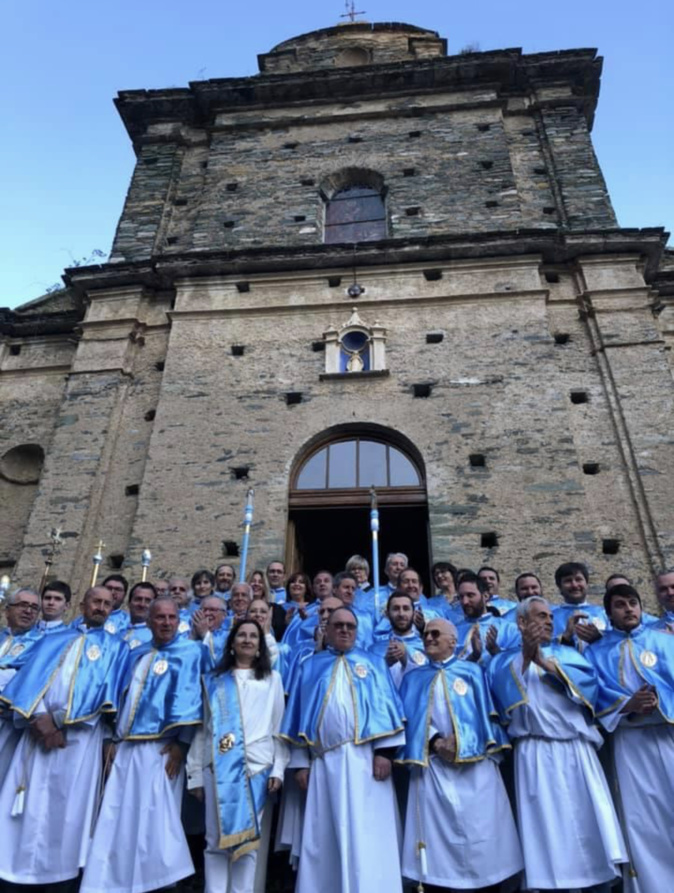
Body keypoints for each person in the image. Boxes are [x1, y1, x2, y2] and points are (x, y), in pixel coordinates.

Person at [487, 596, 627, 892]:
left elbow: (590, 694)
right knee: (547, 829)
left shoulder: (569, 655)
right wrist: (526, 657)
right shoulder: (504, 661)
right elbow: (503, 698)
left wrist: (548, 666)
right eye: (540, 616)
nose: (549, 621)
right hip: (535, 753)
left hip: (577, 750)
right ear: (522, 623)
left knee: (588, 825)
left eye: (551, 616)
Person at [0, 585, 128, 888]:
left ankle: (58, 874)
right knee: (24, 803)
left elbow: (106, 693)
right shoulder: (52, 639)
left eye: (107, 604)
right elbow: (29, 678)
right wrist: (39, 718)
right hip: (35, 733)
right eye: (95, 601)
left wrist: (58, 721)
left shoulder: (116, 646)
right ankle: (11, 867)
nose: (100, 607)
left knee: (66, 810)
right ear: (82, 605)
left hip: (78, 741)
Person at [81, 596, 203, 893]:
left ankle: (156, 883)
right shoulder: (136, 653)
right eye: (159, 617)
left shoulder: (191, 652)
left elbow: (195, 700)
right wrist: (111, 739)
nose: (166, 623)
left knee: (156, 822)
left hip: (160, 750)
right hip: (124, 748)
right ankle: (114, 880)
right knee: (117, 816)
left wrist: (182, 744)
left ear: (179, 620)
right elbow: (118, 696)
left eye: (172, 617)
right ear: (148, 622)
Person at [281, 606, 406, 893]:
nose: (345, 630)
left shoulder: (373, 663)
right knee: (325, 833)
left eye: (350, 625)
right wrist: (301, 763)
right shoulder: (310, 667)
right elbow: (299, 716)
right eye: (339, 625)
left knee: (368, 832)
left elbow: (387, 709)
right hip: (324, 765)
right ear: (327, 630)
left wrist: (384, 753)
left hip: (366, 762)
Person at [398, 618, 523, 892]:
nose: (428, 638)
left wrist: (463, 741)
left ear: (453, 641)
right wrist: (435, 740)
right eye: (426, 634)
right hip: (433, 765)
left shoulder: (472, 672)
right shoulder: (412, 678)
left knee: (482, 830)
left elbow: (487, 715)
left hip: (475, 765)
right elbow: (409, 718)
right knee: (438, 839)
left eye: (435, 634)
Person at [187, 619, 288, 893]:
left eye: (253, 636)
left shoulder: (272, 679)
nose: (246, 640)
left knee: (247, 843)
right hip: (217, 767)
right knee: (215, 839)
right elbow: (203, 729)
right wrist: (195, 773)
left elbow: (278, 727)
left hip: (256, 767)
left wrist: (278, 768)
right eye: (241, 635)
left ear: (259, 645)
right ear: (231, 643)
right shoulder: (214, 681)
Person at [585, 583, 674, 892]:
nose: (629, 609)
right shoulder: (597, 652)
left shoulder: (666, 642)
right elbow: (594, 694)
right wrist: (627, 705)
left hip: (669, 734)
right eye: (620, 605)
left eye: (633, 602)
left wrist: (661, 701)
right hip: (632, 743)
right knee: (643, 820)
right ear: (609, 614)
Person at [454, 572, 520, 663]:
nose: (465, 601)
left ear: (485, 596)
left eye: (470, 595)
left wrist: (495, 651)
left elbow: (516, 666)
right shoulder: (454, 631)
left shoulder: (509, 629)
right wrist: (473, 656)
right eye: (461, 597)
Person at [369, 591, 427, 686]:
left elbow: (428, 683)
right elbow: (369, 685)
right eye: (396, 609)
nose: (401, 614)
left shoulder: (425, 647)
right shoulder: (375, 649)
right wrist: (385, 664)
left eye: (406, 609)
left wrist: (406, 660)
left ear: (414, 613)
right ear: (387, 614)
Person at [552, 561, 608, 646]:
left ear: (586, 583)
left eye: (578, 579)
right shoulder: (552, 617)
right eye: (568, 581)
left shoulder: (603, 614)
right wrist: (565, 637)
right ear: (560, 587)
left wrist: (600, 639)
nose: (574, 585)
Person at [192, 594, 231, 666]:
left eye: (213, 610)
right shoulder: (189, 631)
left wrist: (205, 634)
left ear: (224, 615)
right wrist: (193, 635)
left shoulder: (228, 636)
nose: (207, 613)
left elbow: (217, 662)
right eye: (204, 610)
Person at [121, 581, 157, 650]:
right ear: (129, 603)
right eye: (138, 599)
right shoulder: (118, 631)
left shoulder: (156, 637)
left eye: (148, 601)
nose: (142, 604)